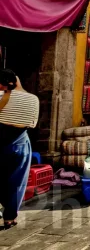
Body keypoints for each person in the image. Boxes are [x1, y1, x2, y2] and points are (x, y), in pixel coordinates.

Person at [0, 69, 39, 229]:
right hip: (20, 142)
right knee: (17, 182)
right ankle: (9, 218)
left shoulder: (2, 96)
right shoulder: (33, 99)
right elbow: (33, 123)